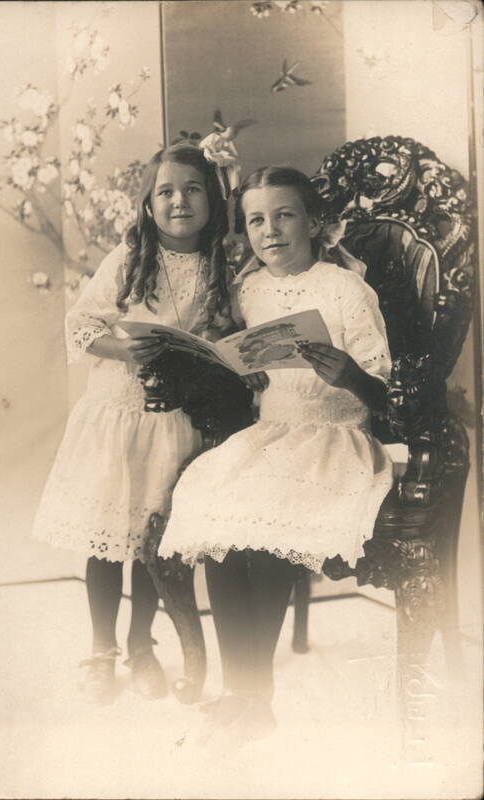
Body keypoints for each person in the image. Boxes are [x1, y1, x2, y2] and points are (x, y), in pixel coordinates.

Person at [158, 165, 393, 740]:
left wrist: (351, 376)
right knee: (215, 514)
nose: (270, 231)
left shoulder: (344, 289)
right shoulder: (249, 288)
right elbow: (242, 364)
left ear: (314, 223)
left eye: (284, 215)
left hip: (334, 437)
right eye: (256, 220)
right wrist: (235, 372)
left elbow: (383, 388)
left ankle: (250, 694)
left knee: (267, 524)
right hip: (269, 435)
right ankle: (247, 694)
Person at [33, 144, 235, 705]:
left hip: (172, 419)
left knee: (155, 538)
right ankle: (102, 650)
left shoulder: (220, 262)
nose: (179, 201)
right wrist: (125, 352)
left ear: (212, 200)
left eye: (193, 189)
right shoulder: (128, 257)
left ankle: (141, 643)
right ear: (148, 205)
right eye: (166, 191)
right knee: (107, 543)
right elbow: (81, 326)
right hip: (117, 415)